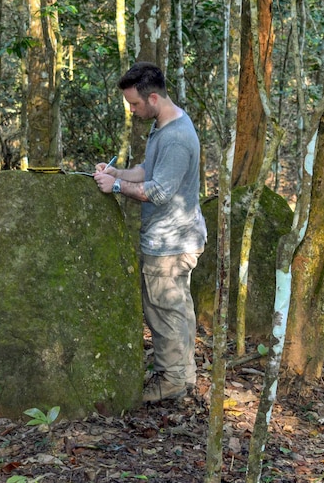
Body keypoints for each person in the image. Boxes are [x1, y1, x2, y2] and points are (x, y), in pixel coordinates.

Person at [93, 62, 206, 404]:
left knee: (164, 312)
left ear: (153, 97)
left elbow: (158, 191)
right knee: (177, 309)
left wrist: (114, 187)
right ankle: (183, 375)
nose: (132, 110)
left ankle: (172, 382)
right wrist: (119, 173)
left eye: (135, 104)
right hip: (174, 238)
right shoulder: (165, 124)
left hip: (170, 244)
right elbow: (148, 171)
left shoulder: (176, 138)